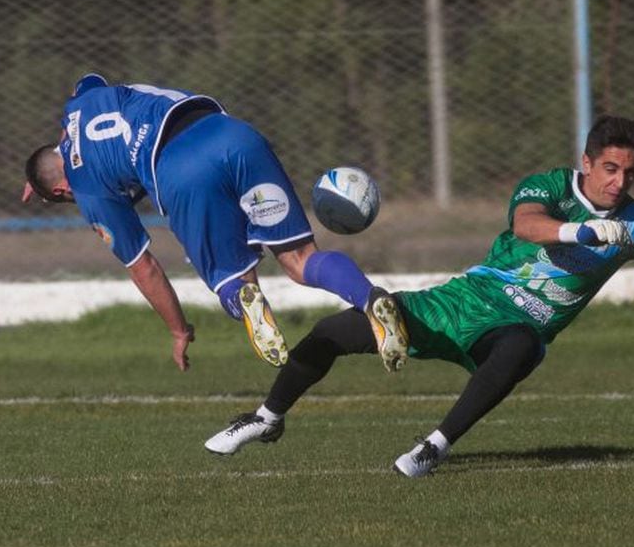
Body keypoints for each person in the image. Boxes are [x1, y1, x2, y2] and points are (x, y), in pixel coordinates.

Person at [204, 116, 634, 478]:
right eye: (608, 168)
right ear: (586, 161)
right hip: (465, 302)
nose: (618, 182)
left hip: (514, 327)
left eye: (629, 172)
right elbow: (526, 225)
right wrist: (579, 229)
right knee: (334, 332)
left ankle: (432, 448)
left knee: (524, 345)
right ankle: (266, 418)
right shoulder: (549, 186)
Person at [23, 73, 409, 372]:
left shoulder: (88, 191)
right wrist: (52, 157)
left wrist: (178, 330)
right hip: (233, 134)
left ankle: (245, 299)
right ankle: (370, 298)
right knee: (299, 258)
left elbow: (145, 269)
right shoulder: (81, 102)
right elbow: (88, 83)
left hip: (179, 171)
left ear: (59, 192)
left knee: (234, 279)